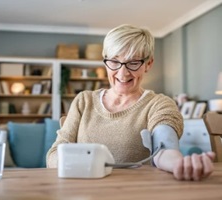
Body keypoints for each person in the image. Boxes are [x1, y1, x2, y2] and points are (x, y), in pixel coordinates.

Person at [46, 24, 215, 181]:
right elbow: (54, 155)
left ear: (148, 64)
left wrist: (178, 164)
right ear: (105, 61)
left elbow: (164, 149)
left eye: (133, 63)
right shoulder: (84, 101)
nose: (122, 73)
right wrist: (91, 165)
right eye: (114, 61)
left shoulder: (159, 104)